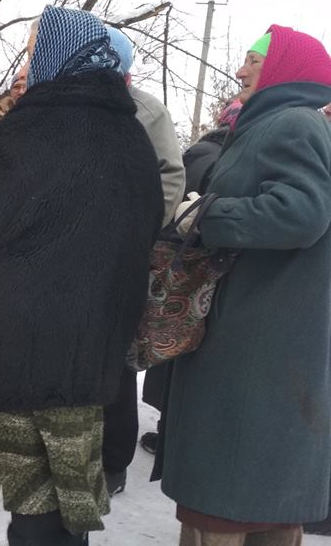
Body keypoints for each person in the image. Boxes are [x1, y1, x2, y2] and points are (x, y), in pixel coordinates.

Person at [0, 6, 164, 545]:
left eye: (36, 49)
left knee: (31, 504)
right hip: (92, 353)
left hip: (18, 348)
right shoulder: (130, 137)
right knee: (68, 502)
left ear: (60, 53)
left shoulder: (27, 134)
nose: (28, 62)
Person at [161, 25, 331, 546]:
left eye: (253, 62)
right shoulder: (275, 124)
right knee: (260, 509)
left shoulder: (293, 124)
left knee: (228, 509)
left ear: (284, 68)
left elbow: (302, 213)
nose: (239, 71)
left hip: (255, 354)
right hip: (257, 349)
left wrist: (207, 216)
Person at [100, 26, 186, 496]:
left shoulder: (146, 109)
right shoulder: (84, 103)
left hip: (125, 256)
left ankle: (114, 462)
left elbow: (171, 175)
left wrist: (141, 233)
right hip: (81, 255)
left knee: (117, 362)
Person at [138, 96, 243, 458]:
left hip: (172, 260)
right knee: (182, 348)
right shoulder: (216, 159)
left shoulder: (199, 152)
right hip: (189, 266)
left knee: (172, 352)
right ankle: (171, 437)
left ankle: (166, 434)